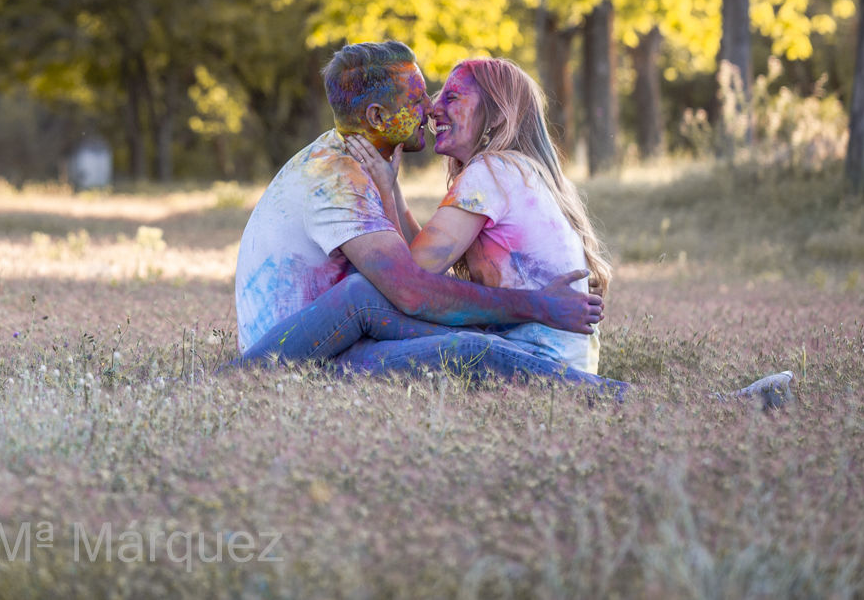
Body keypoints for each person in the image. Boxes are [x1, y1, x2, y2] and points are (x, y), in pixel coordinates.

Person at [231, 41, 627, 396]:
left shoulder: (492, 172)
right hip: (531, 346)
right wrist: (393, 192)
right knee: (362, 312)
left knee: (370, 304)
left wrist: (540, 307)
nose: (434, 109)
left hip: (535, 358)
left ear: (495, 118)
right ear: (376, 115)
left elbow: (414, 283)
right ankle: (237, 380)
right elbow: (418, 281)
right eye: (427, 98)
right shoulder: (339, 175)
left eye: (450, 97)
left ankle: (609, 394)